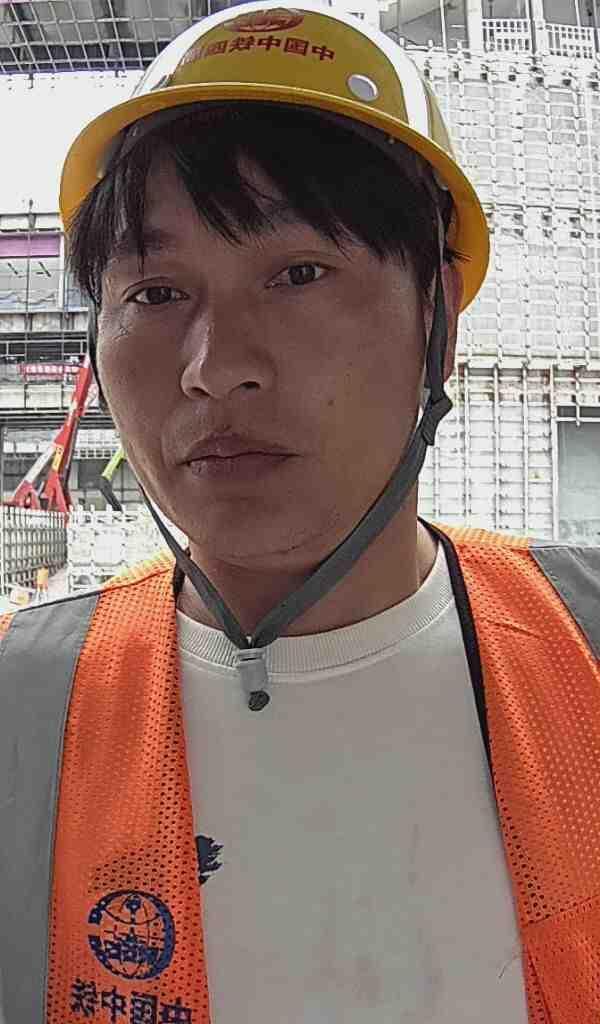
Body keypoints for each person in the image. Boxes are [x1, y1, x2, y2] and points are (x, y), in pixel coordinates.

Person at [1, 4, 599, 1021]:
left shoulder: (581, 648)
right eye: (155, 294)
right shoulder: (24, 709)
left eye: (298, 275)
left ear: (436, 322)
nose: (215, 367)